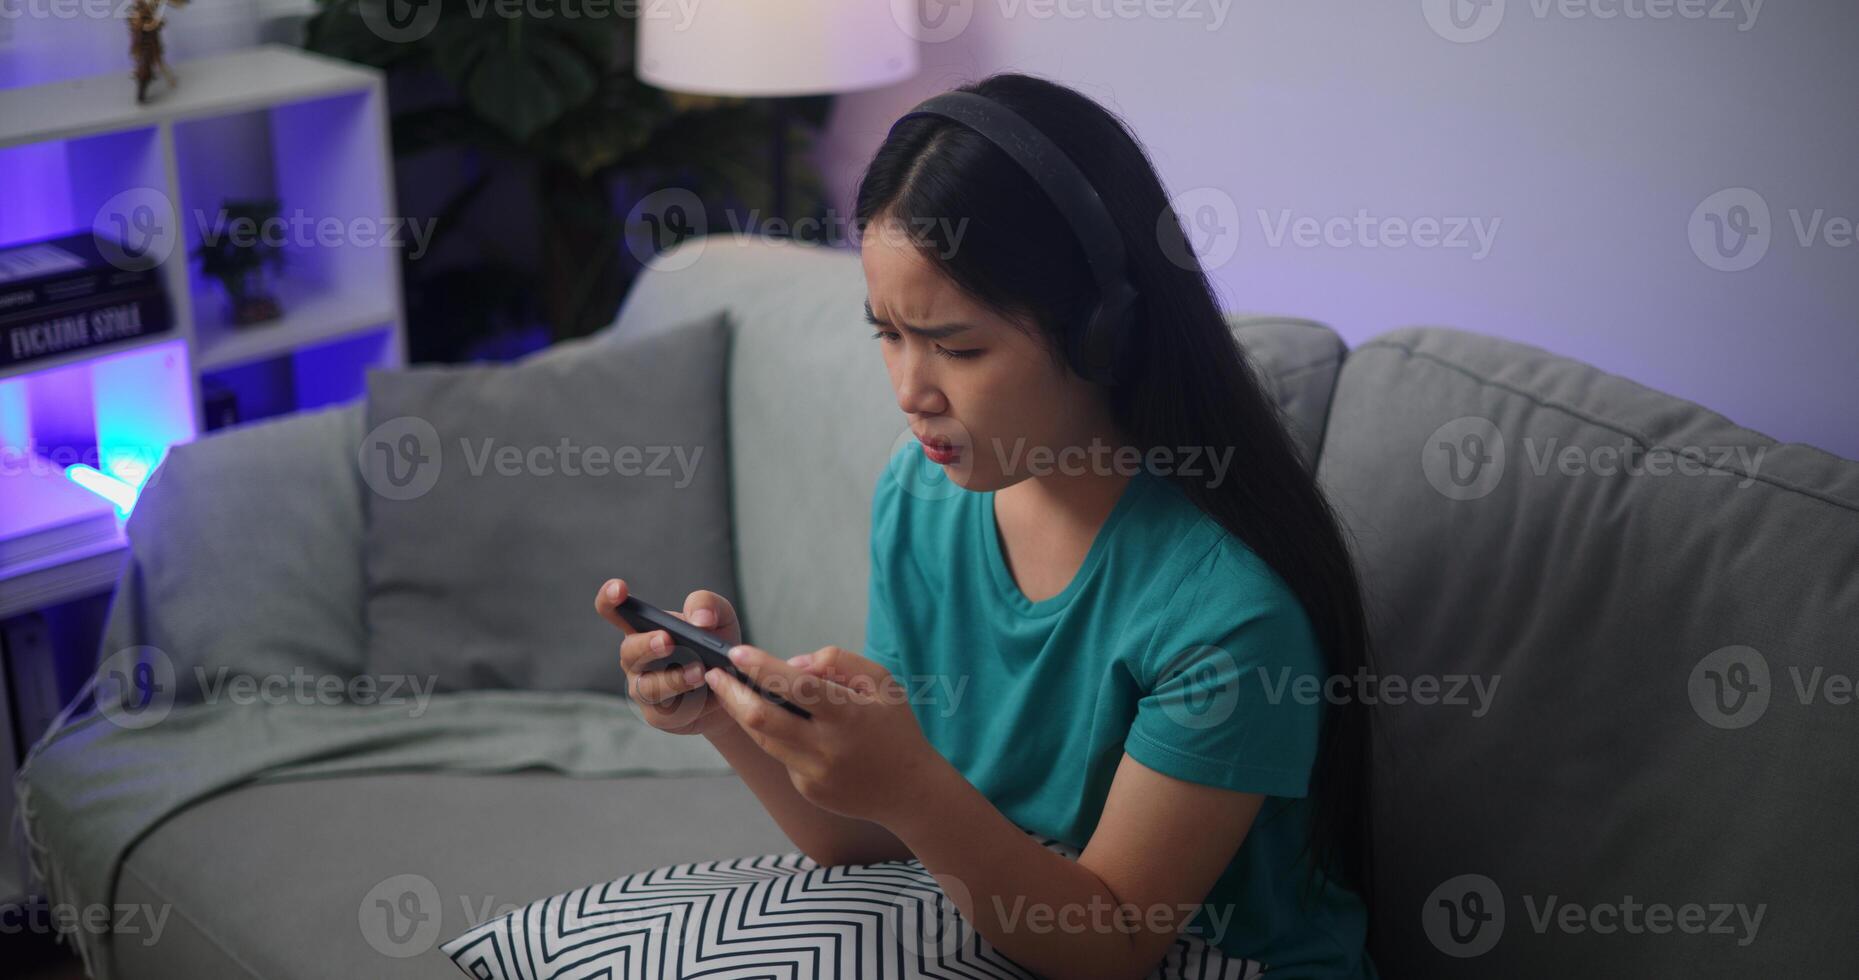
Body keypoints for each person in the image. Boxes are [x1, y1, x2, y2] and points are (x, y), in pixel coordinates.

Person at [593, 72, 1379, 979]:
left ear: (1100, 332)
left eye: (956, 348)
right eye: (886, 333)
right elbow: (866, 838)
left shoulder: (1226, 613)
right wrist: (726, 713)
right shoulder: (923, 498)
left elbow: (1115, 942)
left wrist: (912, 788)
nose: (909, 392)